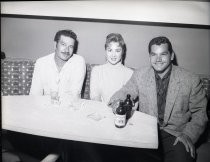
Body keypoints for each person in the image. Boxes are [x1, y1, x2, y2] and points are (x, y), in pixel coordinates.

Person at [108, 36, 208, 162]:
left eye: (163, 54)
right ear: (149, 56)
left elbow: (200, 113)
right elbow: (125, 91)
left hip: (176, 135)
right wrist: (117, 101)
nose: (158, 59)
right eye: (154, 54)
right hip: (146, 132)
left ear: (171, 56)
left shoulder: (190, 80)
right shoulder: (140, 74)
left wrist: (189, 135)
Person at [30, 29, 86, 105]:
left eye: (71, 47)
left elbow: (75, 96)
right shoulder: (41, 63)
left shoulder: (78, 62)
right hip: (45, 109)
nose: (67, 50)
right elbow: (34, 95)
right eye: (63, 44)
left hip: (69, 110)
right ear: (55, 44)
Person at [90, 33, 133, 104]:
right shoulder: (96, 70)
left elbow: (131, 102)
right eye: (110, 50)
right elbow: (95, 97)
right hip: (100, 111)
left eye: (117, 51)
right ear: (105, 51)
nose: (113, 55)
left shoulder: (130, 73)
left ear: (123, 51)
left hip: (121, 113)